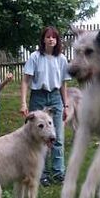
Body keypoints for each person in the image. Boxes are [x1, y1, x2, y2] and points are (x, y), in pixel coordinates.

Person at [20, 26, 71, 186]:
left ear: (57, 40)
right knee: (39, 137)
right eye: (48, 37)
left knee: (58, 137)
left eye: (54, 37)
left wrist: (66, 104)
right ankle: (42, 174)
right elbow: (25, 81)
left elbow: (63, 84)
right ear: (43, 39)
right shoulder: (35, 57)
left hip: (55, 97)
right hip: (39, 97)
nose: (51, 39)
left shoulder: (61, 59)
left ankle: (58, 172)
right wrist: (23, 102)